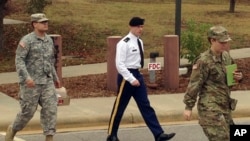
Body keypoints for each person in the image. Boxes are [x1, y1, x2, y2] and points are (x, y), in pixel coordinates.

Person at [106, 17, 175, 141]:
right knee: (120, 107)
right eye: (138, 26)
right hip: (126, 77)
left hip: (137, 74)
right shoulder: (124, 43)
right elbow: (119, 65)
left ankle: (158, 134)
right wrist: (131, 79)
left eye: (142, 26)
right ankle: (112, 135)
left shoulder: (139, 42)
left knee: (145, 105)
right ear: (131, 27)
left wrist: (138, 76)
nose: (140, 29)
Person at [5, 13, 60, 141]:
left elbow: (50, 61)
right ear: (34, 24)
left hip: (47, 82)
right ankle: (13, 129)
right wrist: (26, 78)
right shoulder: (26, 41)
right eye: (42, 22)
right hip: (31, 83)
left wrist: (56, 78)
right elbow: (19, 61)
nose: (46, 24)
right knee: (28, 112)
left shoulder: (48, 40)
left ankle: (49, 137)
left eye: (46, 21)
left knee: (51, 109)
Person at [183, 25, 243, 141]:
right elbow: (194, 84)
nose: (225, 45)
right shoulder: (203, 61)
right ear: (212, 40)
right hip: (210, 109)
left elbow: (232, 76)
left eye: (226, 42)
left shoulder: (226, 56)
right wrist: (188, 107)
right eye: (222, 43)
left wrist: (239, 77)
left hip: (225, 107)